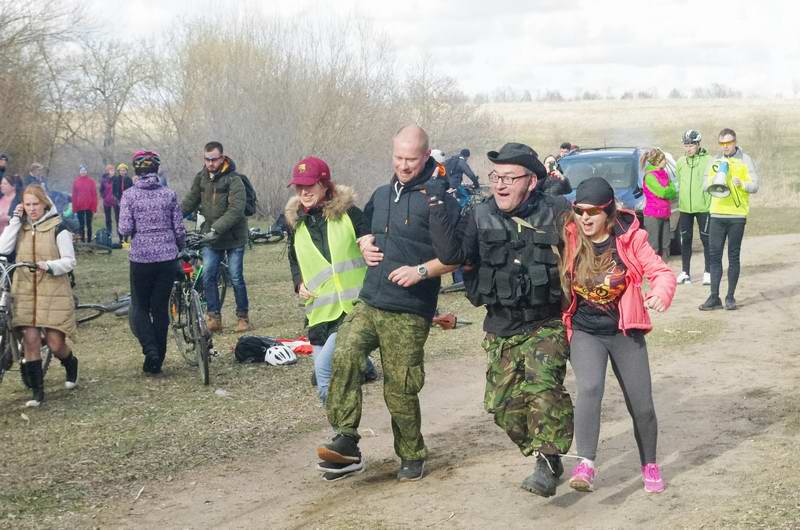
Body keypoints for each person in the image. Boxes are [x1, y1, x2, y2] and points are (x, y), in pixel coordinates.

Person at [315, 125, 459, 482]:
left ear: (426, 156)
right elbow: (365, 227)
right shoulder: (381, 194)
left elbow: (457, 257)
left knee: (400, 387)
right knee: (343, 355)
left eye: (411, 159)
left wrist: (421, 271)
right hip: (371, 301)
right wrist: (365, 242)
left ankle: (411, 454)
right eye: (398, 157)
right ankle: (346, 440)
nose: (404, 165)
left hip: (410, 310)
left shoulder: (439, 200)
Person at [432, 142, 574, 498]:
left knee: (543, 390)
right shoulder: (478, 215)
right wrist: (436, 205)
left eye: (510, 177)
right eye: (495, 176)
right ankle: (548, 454)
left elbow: (593, 246)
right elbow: (454, 256)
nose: (500, 184)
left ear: (531, 181)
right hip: (501, 324)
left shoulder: (557, 212)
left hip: (547, 321)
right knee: (501, 407)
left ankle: (546, 459)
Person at [560, 177, 676, 494]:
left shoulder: (630, 238)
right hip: (586, 330)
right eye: (580, 211)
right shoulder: (568, 236)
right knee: (590, 386)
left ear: (608, 212)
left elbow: (661, 272)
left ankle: (649, 463)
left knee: (641, 405)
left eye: (593, 212)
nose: (585, 218)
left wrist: (660, 295)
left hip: (625, 331)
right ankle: (585, 464)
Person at [284, 156, 378, 403]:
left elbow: (370, 244)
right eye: (299, 187)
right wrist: (298, 283)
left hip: (353, 310)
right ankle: (365, 366)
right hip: (319, 313)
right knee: (325, 371)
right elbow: (295, 259)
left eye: (310, 185)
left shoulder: (350, 215)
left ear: (325, 185)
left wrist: (368, 241)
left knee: (324, 376)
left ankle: (343, 434)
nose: (304, 192)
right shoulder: (295, 223)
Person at [0, 185, 79, 407]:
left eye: (36, 204)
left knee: (55, 344)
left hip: (52, 289)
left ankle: (70, 363)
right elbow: (3, 248)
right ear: (22, 206)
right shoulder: (21, 227)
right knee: (31, 340)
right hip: (24, 289)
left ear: (44, 203)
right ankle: (37, 393)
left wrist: (49, 265)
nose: (32, 209)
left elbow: (69, 261)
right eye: (28, 204)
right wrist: (15, 221)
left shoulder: (59, 227)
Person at [119, 151, 186, 374]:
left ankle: (150, 351)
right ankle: (159, 355)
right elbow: (179, 229)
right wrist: (178, 245)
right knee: (159, 309)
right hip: (167, 258)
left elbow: (125, 229)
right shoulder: (169, 194)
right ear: (157, 169)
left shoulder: (129, 195)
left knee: (139, 306)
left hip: (141, 259)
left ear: (136, 171)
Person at [181, 141, 250, 332]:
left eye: (214, 159)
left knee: (236, 277)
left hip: (234, 236)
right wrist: (173, 217)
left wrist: (217, 229)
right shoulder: (201, 177)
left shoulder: (234, 179)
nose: (210, 163)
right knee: (208, 276)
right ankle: (214, 318)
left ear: (222, 157)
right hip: (210, 237)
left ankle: (242, 317)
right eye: (207, 159)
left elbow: (236, 209)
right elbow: (189, 201)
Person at [699, 128, 759, 311]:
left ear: (735, 142)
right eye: (722, 143)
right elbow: (704, 185)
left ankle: (730, 297)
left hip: (737, 216)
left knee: (733, 256)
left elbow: (755, 186)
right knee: (714, 256)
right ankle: (714, 297)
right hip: (717, 214)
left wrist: (743, 185)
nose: (725, 146)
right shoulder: (714, 161)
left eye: (728, 143)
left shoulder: (745, 160)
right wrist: (714, 182)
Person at [675, 129, 712, 285]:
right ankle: (685, 272)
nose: (688, 148)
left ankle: (708, 272)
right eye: (686, 145)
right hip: (685, 208)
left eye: (691, 145)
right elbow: (679, 180)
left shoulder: (708, 160)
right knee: (686, 239)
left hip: (703, 207)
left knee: (706, 239)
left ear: (698, 144)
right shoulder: (680, 162)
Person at [640, 148, 676, 257]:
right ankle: (653, 272)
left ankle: (664, 270)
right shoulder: (650, 176)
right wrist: (668, 191)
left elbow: (673, 191)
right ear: (657, 160)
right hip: (653, 215)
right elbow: (662, 192)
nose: (666, 161)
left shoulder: (664, 173)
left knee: (666, 246)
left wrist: (668, 191)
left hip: (665, 214)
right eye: (664, 159)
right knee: (654, 247)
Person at [71, 165, 98, 243]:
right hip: (79, 206)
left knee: (89, 225)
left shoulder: (91, 181)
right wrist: (74, 208)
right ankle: (82, 240)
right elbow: (74, 196)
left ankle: (89, 241)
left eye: (84, 170)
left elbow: (94, 195)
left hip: (89, 206)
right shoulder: (76, 182)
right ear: (79, 172)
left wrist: (94, 208)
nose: (83, 172)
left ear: (87, 172)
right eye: (81, 170)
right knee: (81, 225)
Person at [113, 163, 134, 243]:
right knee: (118, 220)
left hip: (127, 203)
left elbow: (131, 191)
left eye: (124, 170)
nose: (122, 172)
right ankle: (120, 238)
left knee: (127, 219)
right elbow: (113, 192)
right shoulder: (115, 180)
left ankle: (126, 237)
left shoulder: (129, 180)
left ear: (126, 171)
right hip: (117, 203)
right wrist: (117, 201)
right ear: (119, 171)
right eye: (121, 170)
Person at [99, 164, 116, 235]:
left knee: (118, 217)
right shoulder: (104, 179)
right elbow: (101, 190)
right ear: (107, 171)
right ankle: (109, 232)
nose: (111, 171)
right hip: (107, 201)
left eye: (112, 170)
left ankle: (119, 232)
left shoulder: (117, 178)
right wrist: (104, 196)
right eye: (109, 170)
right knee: (108, 218)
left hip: (116, 201)